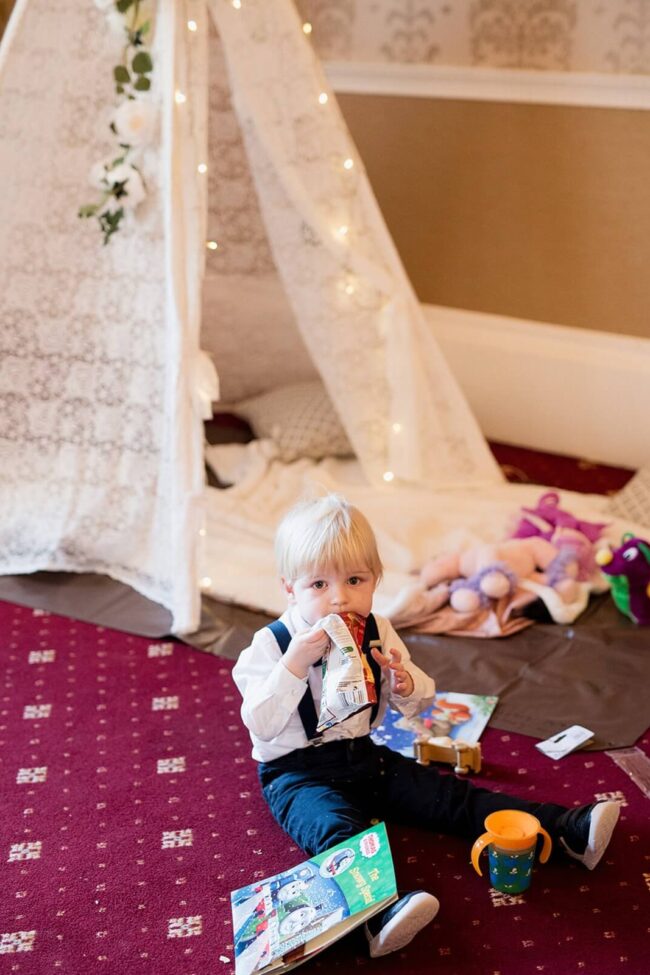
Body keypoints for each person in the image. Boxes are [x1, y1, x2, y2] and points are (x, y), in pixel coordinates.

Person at [232, 494, 620, 959]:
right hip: (295, 775)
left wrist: (404, 679)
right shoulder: (270, 646)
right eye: (319, 584)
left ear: (376, 580)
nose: (339, 597)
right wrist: (295, 664)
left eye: (355, 580)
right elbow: (262, 724)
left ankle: (564, 831)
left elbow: (418, 707)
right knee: (339, 832)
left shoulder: (377, 626)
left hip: (362, 755)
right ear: (290, 589)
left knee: (449, 796)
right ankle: (377, 919)